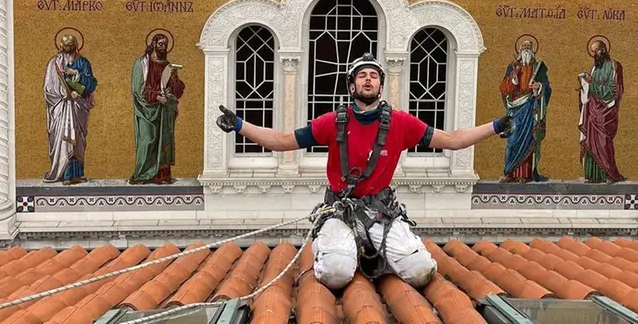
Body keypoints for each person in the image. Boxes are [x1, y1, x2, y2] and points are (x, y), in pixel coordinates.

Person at [216, 52, 513, 290]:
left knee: (421, 270)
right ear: (352, 86)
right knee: (335, 274)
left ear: (381, 86)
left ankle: (372, 254)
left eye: (373, 76)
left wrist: (495, 127)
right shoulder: (333, 122)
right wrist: (240, 125)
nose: (368, 80)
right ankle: (339, 250)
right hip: (340, 210)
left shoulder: (401, 123)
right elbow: (282, 141)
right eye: (362, 76)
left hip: (381, 212)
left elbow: (452, 140)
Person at [42, 34, 98, 185]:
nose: (68, 47)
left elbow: (92, 83)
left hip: (78, 106)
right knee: (64, 138)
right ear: (61, 46)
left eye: (71, 45)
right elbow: (48, 87)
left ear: (76, 45)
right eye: (66, 45)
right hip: (61, 107)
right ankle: (64, 174)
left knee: (77, 140)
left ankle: (76, 175)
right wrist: (64, 94)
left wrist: (77, 76)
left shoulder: (83, 62)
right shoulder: (54, 63)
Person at [129, 33, 184, 185]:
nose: (163, 47)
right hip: (146, 109)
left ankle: (162, 175)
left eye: (165, 44)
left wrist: (174, 78)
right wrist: (157, 97)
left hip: (164, 110)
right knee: (147, 140)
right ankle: (141, 175)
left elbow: (177, 91)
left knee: (164, 141)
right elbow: (138, 88)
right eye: (160, 44)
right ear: (153, 44)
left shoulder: (167, 65)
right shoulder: (141, 64)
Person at [499, 35, 552, 183]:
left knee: (529, 140)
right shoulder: (512, 67)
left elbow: (547, 87)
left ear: (533, 50)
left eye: (529, 47)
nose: (526, 49)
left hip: (530, 108)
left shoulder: (538, 68)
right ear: (520, 50)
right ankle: (509, 172)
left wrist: (539, 86)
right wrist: (513, 79)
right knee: (513, 140)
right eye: (524, 47)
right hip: (515, 109)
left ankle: (524, 174)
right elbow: (504, 89)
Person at [578, 36, 625, 183]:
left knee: (604, 142)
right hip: (592, 110)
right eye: (593, 51)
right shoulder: (594, 68)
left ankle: (609, 174)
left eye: (597, 50)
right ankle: (594, 175)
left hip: (606, 111)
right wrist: (584, 85)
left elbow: (614, 90)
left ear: (604, 49)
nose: (595, 54)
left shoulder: (614, 66)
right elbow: (590, 88)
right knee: (591, 141)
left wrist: (592, 84)